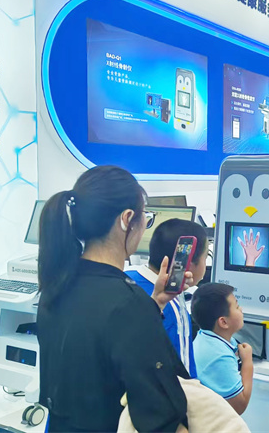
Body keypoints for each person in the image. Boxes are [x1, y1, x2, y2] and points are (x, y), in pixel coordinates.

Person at [37, 166, 191, 432]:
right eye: (146, 217)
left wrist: (155, 303)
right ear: (126, 219)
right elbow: (161, 416)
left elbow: (98, 344)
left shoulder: (56, 287)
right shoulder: (128, 303)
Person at [126, 219, 209, 378]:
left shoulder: (127, 276)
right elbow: (183, 375)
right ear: (188, 263)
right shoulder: (170, 307)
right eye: (205, 256)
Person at [191, 283, 254, 415]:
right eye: (237, 306)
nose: (241, 309)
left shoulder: (206, 336)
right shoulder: (218, 356)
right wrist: (248, 362)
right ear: (223, 322)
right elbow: (239, 406)